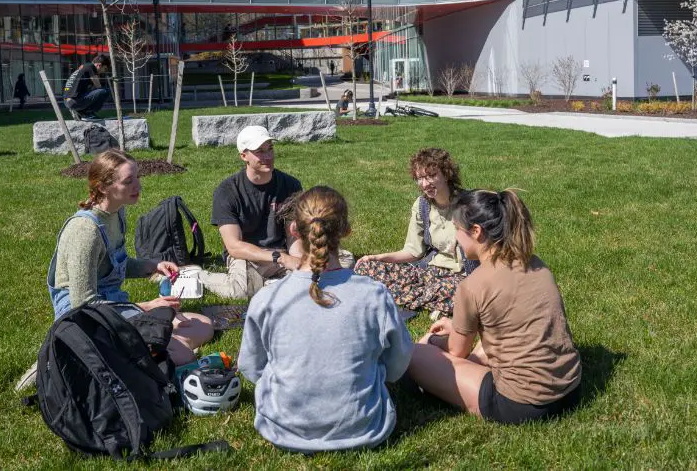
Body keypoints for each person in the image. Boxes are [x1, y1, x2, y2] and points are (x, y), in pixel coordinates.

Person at [16, 150, 213, 391]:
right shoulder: (84, 231)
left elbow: (115, 263)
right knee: (183, 355)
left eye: (138, 177)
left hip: (114, 308)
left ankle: (146, 350)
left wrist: (153, 265)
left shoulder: (116, 214)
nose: (137, 185)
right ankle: (61, 359)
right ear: (103, 187)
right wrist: (147, 307)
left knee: (203, 324)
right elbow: (82, 306)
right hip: (86, 324)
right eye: (128, 181)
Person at [239, 186, 413, 453]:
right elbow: (397, 366)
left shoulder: (268, 298)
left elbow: (252, 368)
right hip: (364, 428)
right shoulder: (373, 294)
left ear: (294, 230)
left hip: (282, 428)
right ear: (345, 231)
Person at [407, 189, 582, 424]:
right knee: (481, 348)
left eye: (457, 229)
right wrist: (455, 325)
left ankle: (426, 377)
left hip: (522, 404)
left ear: (476, 232)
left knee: (418, 354)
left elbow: (457, 352)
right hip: (571, 389)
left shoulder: (473, 285)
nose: (456, 237)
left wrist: (433, 341)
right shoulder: (536, 263)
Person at [197, 125, 352, 300]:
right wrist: (281, 258)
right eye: (260, 151)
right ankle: (195, 274)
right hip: (248, 256)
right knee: (240, 291)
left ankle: (270, 283)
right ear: (244, 156)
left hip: (283, 251)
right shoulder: (227, 191)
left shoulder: (290, 184)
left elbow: (293, 233)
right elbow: (234, 246)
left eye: (270, 149)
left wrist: (299, 261)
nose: (268, 156)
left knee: (341, 261)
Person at [354, 148, 472, 316]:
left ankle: (397, 296)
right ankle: (434, 301)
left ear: (446, 175)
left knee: (462, 293)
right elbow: (413, 251)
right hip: (431, 272)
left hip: (463, 276)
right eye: (420, 178)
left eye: (431, 176)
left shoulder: (470, 205)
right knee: (366, 268)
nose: (424, 184)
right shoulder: (422, 205)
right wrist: (377, 258)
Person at [62, 54, 112, 121]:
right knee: (104, 91)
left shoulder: (84, 67)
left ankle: (80, 112)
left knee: (95, 91)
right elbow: (98, 86)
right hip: (75, 101)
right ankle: (88, 114)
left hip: (68, 101)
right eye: (105, 68)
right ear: (99, 65)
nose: (104, 71)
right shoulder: (91, 67)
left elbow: (92, 90)